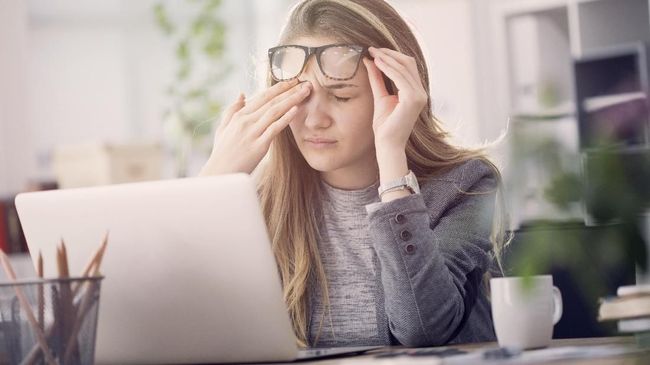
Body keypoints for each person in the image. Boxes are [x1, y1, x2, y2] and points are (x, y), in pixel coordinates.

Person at [199, 0, 509, 348]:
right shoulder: (261, 197)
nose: (314, 120)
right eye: (299, 96)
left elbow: (422, 328)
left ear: (395, 94)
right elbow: (181, 320)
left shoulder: (465, 186)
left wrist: (392, 158)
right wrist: (216, 181)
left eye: (341, 96)